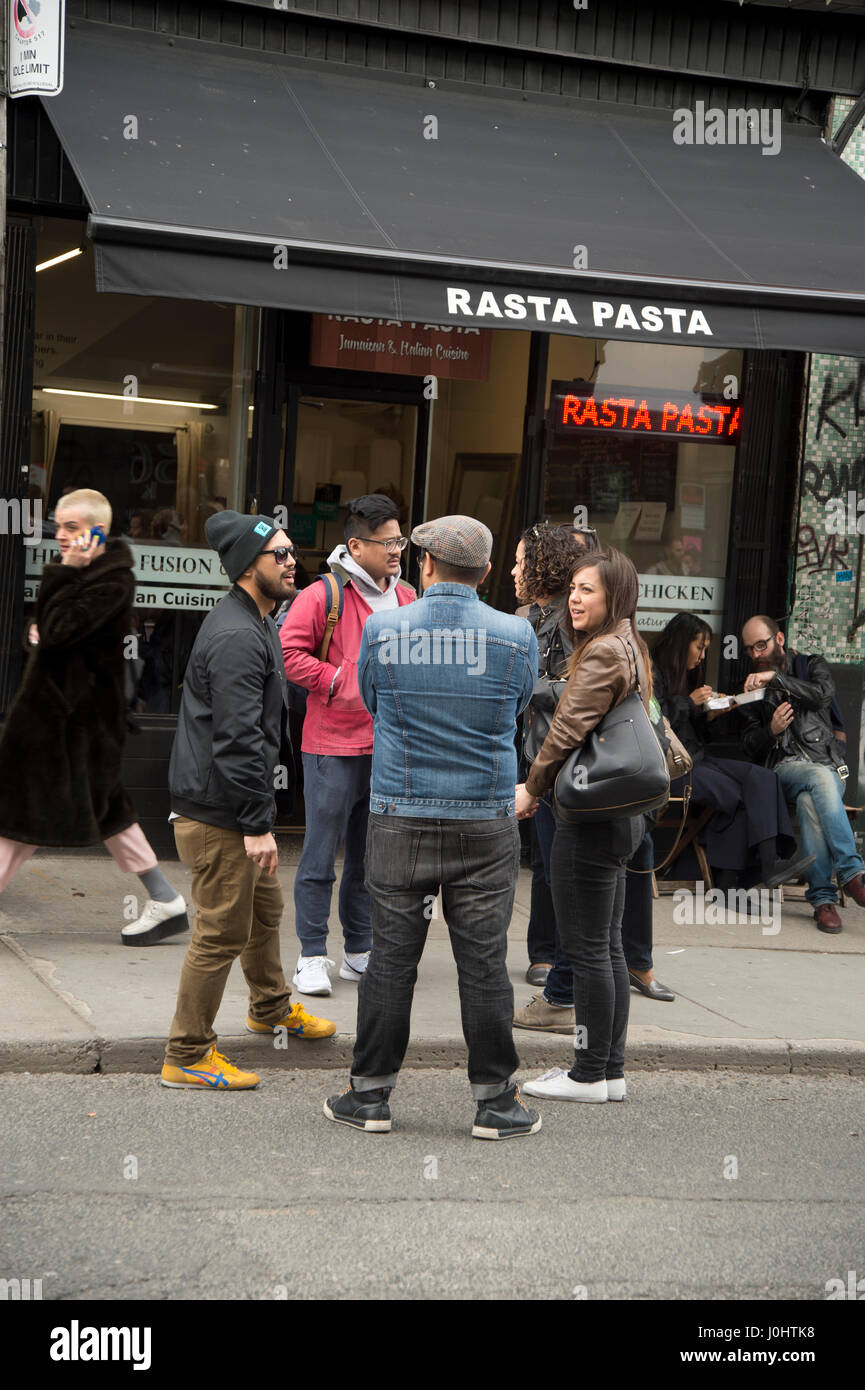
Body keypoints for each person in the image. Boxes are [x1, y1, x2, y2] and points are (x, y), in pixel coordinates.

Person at [324, 515, 541, 1139]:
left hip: (400, 815)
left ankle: (369, 1097)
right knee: (484, 964)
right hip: (486, 819)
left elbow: (371, 699)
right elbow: (520, 706)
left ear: (425, 565)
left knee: (391, 961)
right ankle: (495, 1104)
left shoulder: (386, 628)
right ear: (487, 572)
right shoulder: (514, 635)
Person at [161, 511, 335, 1091]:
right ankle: (187, 1053)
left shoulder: (256, 619)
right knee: (219, 933)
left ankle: (269, 1008)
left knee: (264, 913)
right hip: (222, 815)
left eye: (291, 552)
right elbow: (237, 741)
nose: (291, 562)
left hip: (233, 809)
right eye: (278, 555)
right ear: (245, 567)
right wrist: (257, 823)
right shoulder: (238, 635)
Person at [0, 489, 188, 947]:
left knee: (18, 817)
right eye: (59, 526)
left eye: (71, 528)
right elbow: (46, 637)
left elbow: (58, 630)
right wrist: (43, 633)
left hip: (71, 727)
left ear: (96, 532)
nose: (60, 536)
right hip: (64, 723)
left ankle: (165, 900)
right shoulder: (94, 580)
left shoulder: (108, 582)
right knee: (102, 812)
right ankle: (164, 899)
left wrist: (59, 588)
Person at [515, 548, 656, 1103]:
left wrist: (531, 787)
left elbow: (568, 728)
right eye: (572, 588)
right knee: (607, 947)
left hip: (592, 817)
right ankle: (608, 1070)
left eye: (587, 591)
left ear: (613, 597)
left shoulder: (602, 653)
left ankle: (588, 1073)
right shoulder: (629, 643)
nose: (574, 598)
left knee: (591, 948)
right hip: (618, 817)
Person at [280, 495, 416, 997]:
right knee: (320, 855)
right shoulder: (323, 595)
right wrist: (339, 680)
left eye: (400, 540)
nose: (397, 550)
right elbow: (289, 654)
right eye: (388, 542)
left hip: (387, 749)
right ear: (356, 545)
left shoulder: (407, 599)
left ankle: (359, 950)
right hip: (332, 744)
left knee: (369, 858)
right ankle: (311, 954)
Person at [653, 613, 814, 894]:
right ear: (681, 644)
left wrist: (711, 715)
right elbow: (654, 723)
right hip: (670, 768)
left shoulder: (688, 675)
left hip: (696, 759)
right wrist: (690, 704)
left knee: (762, 777)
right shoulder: (651, 671)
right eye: (699, 647)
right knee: (738, 795)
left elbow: (693, 731)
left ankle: (773, 861)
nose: (703, 656)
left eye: (705, 649)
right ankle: (732, 885)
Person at [739, 614, 865, 934]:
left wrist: (775, 679)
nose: (756, 654)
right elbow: (748, 745)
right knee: (818, 780)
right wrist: (771, 729)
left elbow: (821, 694)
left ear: (779, 639)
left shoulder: (811, 665)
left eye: (761, 645)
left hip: (826, 762)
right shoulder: (751, 686)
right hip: (785, 768)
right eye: (750, 649)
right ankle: (851, 874)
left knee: (812, 799)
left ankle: (823, 900)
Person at [512, 522, 584, 986]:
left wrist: (520, 689)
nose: (514, 571)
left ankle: (559, 957)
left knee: (559, 857)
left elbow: (577, 690)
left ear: (543, 565)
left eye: (521, 561)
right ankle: (542, 951)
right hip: (528, 748)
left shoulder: (573, 618)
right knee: (540, 855)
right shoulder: (524, 615)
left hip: (562, 755)